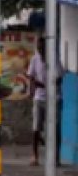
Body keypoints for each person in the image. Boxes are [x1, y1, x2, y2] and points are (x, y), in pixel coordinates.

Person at [29, 36, 48, 166]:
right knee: (36, 128)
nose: (40, 49)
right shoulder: (35, 59)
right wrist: (34, 86)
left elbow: (59, 77)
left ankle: (54, 157)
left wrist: (50, 85)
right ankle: (35, 156)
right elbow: (31, 76)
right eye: (39, 46)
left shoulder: (53, 59)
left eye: (42, 47)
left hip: (52, 98)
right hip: (39, 97)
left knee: (53, 128)